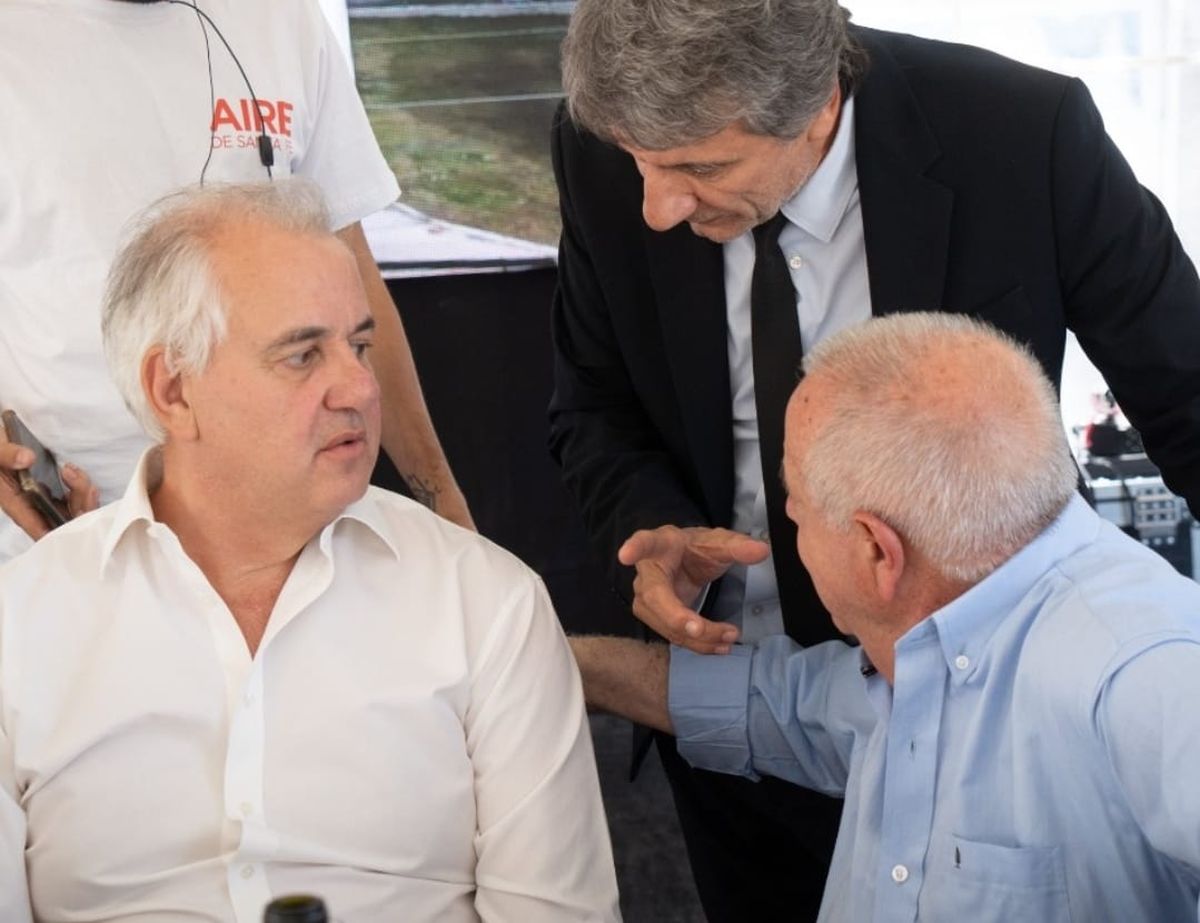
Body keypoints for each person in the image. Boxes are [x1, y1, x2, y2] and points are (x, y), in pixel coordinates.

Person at [549, 0, 1200, 916]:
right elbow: (593, 403)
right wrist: (652, 526)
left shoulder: (1022, 135)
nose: (656, 207)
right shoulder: (608, 146)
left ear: (815, 102)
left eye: (702, 167)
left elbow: (1191, 392)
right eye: (642, 166)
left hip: (995, 712)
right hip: (740, 692)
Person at [0, 180, 620, 922]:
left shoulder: (487, 604)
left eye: (359, 344)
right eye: (303, 355)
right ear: (174, 391)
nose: (358, 385)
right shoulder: (23, 623)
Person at [572, 311, 1200, 922]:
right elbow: (776, 704)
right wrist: (540, 659)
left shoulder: (1145, 671)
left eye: (796, 508)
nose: (785, 517)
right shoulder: (947, 617)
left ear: (877, 550)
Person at [0, 0, 472, 561]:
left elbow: (351, 278)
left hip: (295, 526)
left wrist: (443, 500)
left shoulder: (284, 18)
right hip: (70, 527)